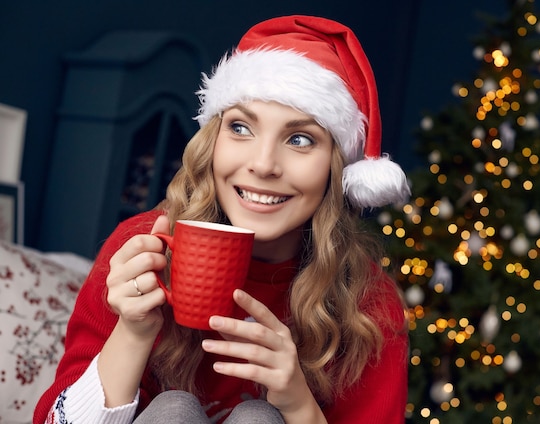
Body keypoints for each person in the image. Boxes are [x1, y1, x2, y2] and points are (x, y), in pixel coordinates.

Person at [34, 15, 411, 424]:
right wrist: (133, 330)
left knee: (259, 418)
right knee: (174, 409)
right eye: (240, 127)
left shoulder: (368, 304)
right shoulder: (142, 247)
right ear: (213, 142)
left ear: (337, 170)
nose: (263, 164)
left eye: (299, 139)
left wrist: (298, 402)